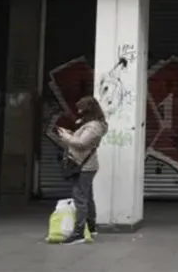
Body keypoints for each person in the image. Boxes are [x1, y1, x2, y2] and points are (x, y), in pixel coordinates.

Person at [54, 96, 108, 245]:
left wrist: (67, 137)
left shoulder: (94, 126)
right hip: (86, 165)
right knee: (87, 196)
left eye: (81, 110)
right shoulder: (93, 125)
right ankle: (91, 227)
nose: (79, 112)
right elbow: (83, 141)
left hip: (85, 166)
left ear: (89, 110)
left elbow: (82, 143)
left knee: (80, 198)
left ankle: (79, 232)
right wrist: (70, 135)